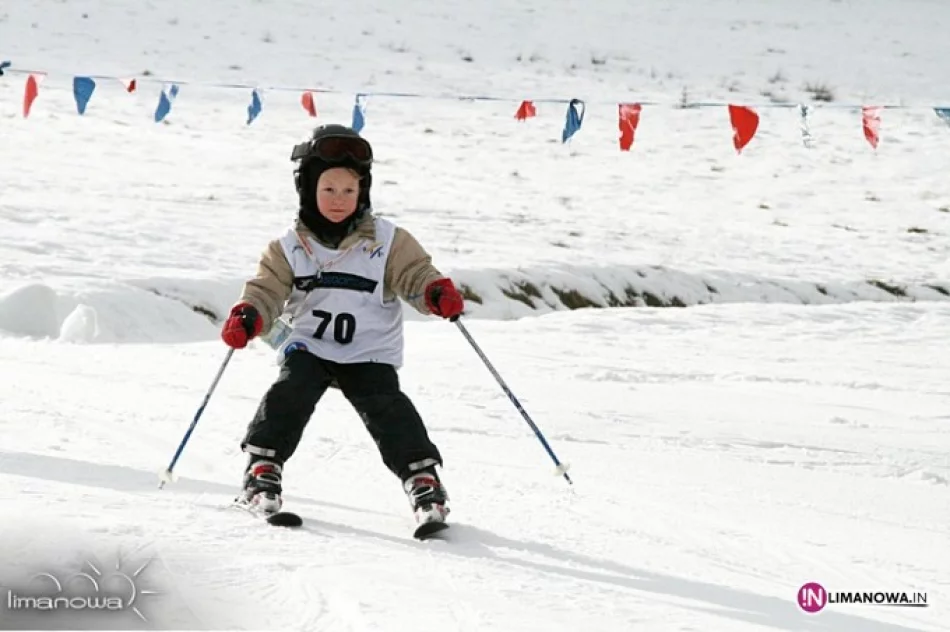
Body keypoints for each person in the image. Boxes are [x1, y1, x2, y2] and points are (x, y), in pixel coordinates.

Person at [219, 124, 465, 528]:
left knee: (387, 406)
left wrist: (435, 291)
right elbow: (266, 288)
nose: (338, 200)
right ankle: (261, 471)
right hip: (311, 345)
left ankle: (423, 481)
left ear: (363, 192)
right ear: (308, 190)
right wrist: (250, 314)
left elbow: (416, 274)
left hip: (368, 349)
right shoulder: (289, 246)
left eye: (349, 191)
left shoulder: (388, 240)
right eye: (328, 189)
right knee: (290, 391)